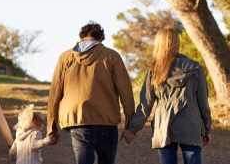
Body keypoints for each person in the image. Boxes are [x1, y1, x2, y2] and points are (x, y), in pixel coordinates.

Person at [47, 21, 135, 164]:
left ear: (81, 37)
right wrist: (130, 127)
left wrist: (51, 128)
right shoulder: (112, 56)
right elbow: (126, 92)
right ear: (101, 38)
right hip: (107, 123)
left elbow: (55, 93)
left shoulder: (65, 57)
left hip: (79, 122)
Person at [122, 28, 212, 164]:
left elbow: (145, 105)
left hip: (164, 126)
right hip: (191, 126)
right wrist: (206, 129)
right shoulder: (195, 67)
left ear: (158, 45)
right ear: (177, 43)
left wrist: (132, 129)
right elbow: (203, 103)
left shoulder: (155, 70)